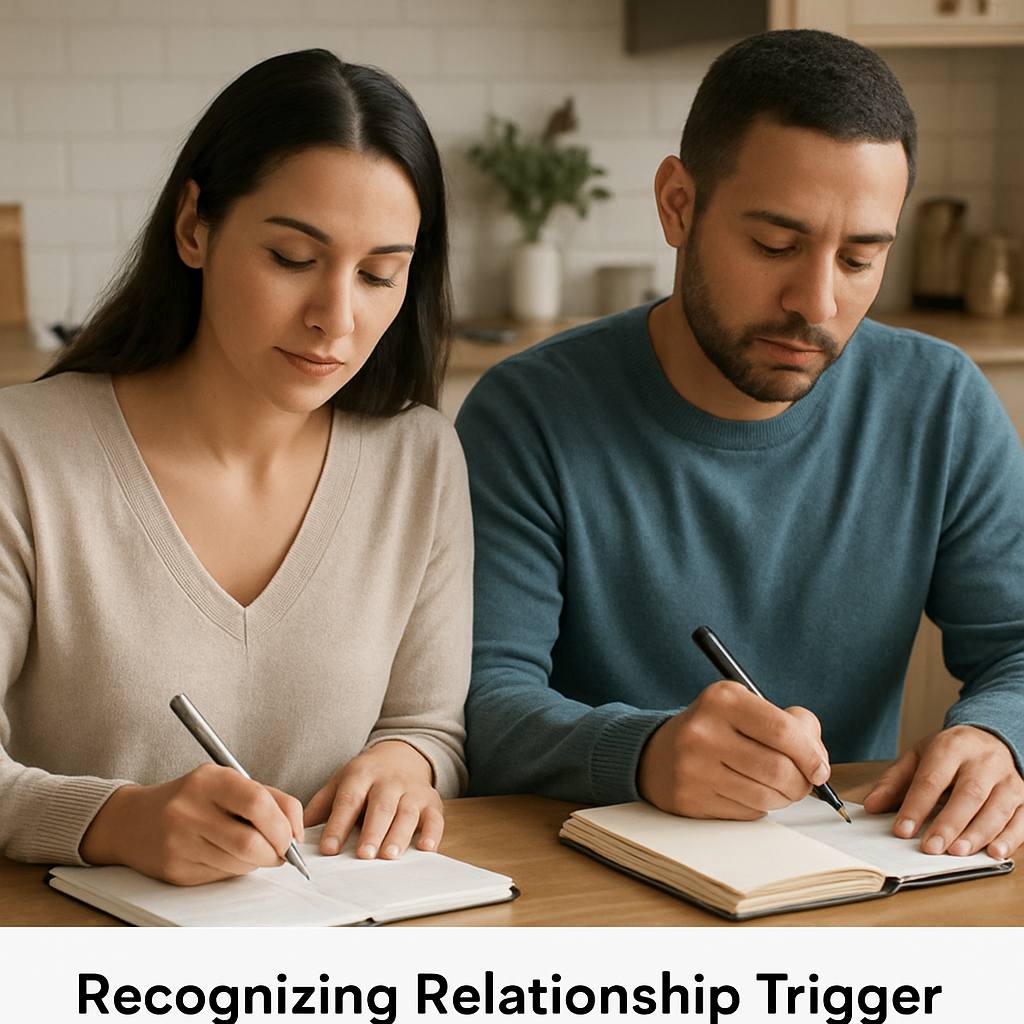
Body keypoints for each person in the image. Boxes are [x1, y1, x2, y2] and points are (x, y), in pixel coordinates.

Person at [456, 29, 1024, 861]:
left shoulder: (938, 402)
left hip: (844, 873)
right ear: (677, 205)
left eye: (862, 258)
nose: (816, 301)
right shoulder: (528, 411)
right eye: (775, 246)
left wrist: (996, 740)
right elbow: (482, 704)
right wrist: (643, 755)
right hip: (585, 888)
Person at [0, 49, 472, 885]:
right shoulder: (23, 454)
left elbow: (429, 723)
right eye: (293, 258)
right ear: (194, 227)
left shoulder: (420, 459)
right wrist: (114, 820)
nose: (336, 318)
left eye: (378, 274)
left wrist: (407, 764)